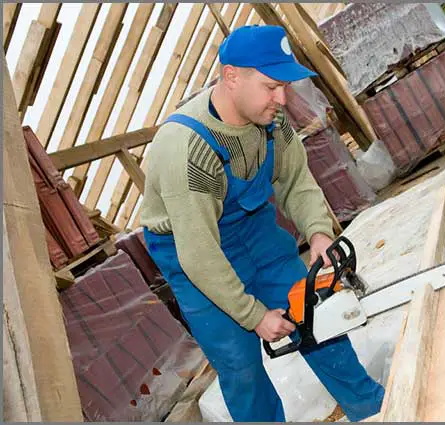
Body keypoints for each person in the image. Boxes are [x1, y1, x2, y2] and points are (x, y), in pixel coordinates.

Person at [140, 25, 384, 422]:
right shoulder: (188, 148)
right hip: (193, 252)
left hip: (254, 230)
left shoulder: (271, 121)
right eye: (272, 86)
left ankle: (371, 408)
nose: (282, 99)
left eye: (285, 86)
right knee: (241, 366)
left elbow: (296, 181)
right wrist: (254, 316)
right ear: (232, 76)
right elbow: (199, 253)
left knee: (315, 314)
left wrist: (319, 232)